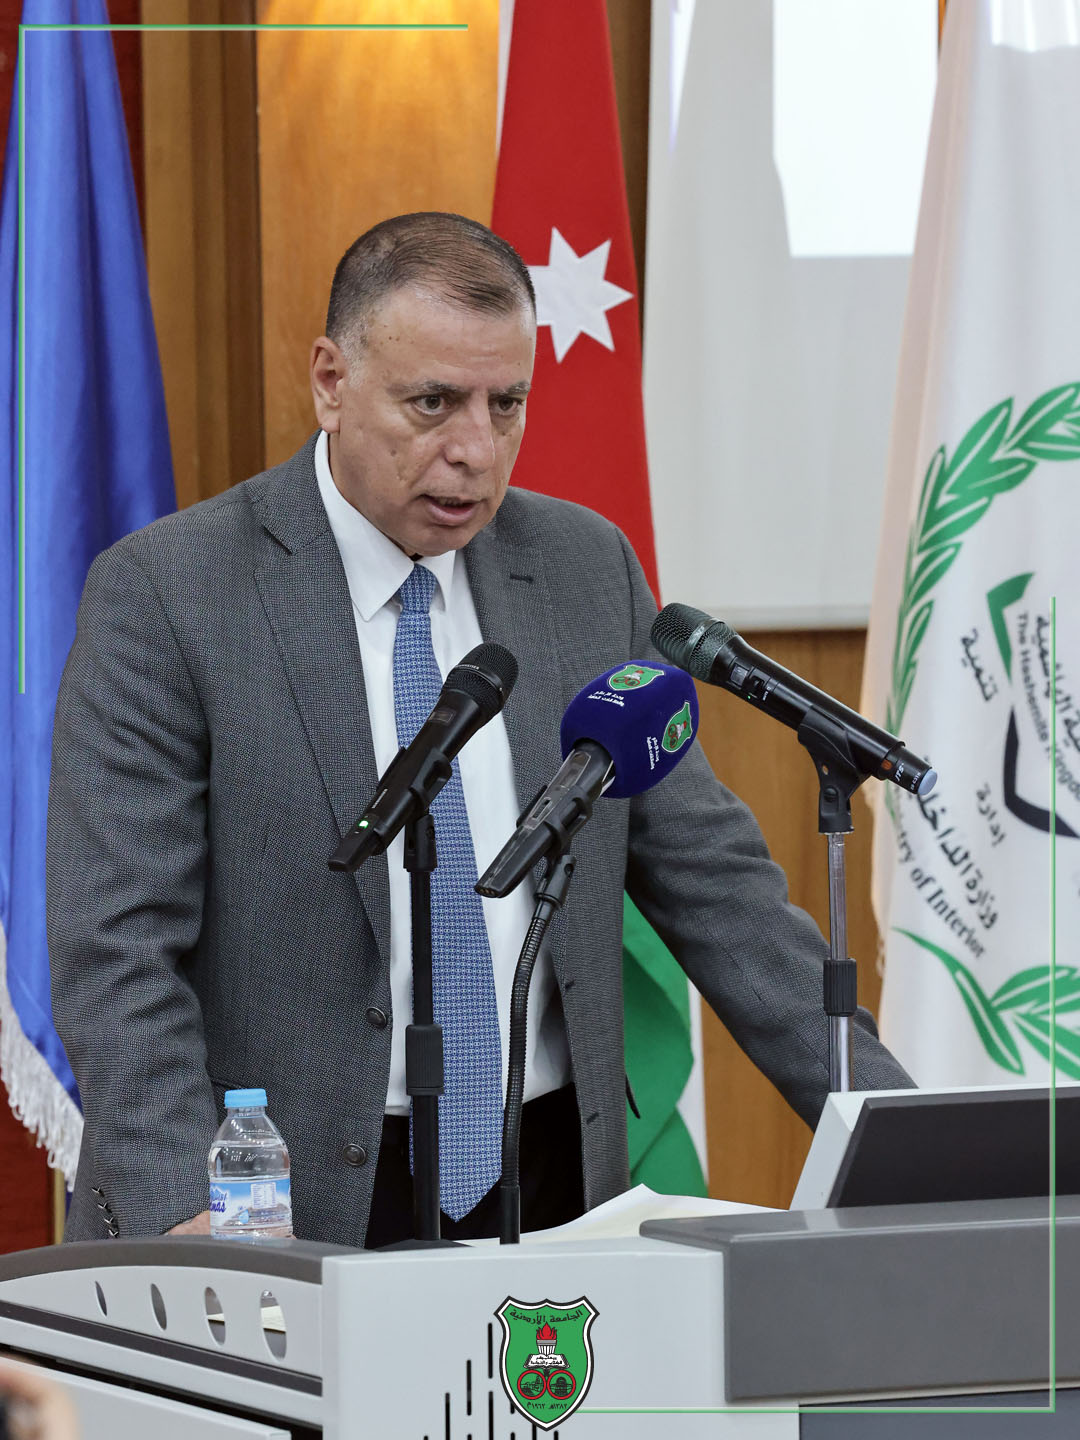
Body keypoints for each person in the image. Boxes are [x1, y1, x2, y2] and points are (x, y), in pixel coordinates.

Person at [47, 212, 912, 1248]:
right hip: (276, 1199)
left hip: (547, 1182)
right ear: (330, 381)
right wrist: (189, 1212)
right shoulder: (171, 593)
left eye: (508, 405)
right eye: (433, 403)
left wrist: (905, 1137)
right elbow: (116, 947)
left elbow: (719, 891)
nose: (474, 450)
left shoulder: (584, 569)